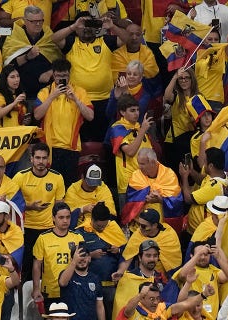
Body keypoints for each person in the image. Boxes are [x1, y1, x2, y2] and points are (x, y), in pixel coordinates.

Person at [51, 12, 130, 142]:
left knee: (103, 136)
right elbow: (54, 38)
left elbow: (127, 39)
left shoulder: (105, 41)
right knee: (81, 137)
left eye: (90, 24)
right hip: (78, 99)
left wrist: (112, 27)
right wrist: (73, 27)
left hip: (104, 99)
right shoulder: (71, 43)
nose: (87, 28)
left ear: (96, 27)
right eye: (83, 24)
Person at [34, 58, 93, 187]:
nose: (62, 79)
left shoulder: (79, 92)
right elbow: (37, 115)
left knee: (69, 186)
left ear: (69, 74)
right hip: (50, 148)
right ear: (53, 75)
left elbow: (90, 116)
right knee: (51, 186)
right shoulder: (45, 92)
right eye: (59, 76)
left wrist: (76, 100)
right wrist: (52, 97)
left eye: (65, 76)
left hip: (71, 147)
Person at [12, 142, 65, 279]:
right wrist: (30, 206)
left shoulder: (57, 177)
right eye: (38, 158)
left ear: (48, 159)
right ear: (31, 159)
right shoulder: (20, 177)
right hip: (26, 229)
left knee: (46, 269)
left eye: (44, 158)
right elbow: (12, 204)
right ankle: (24, 297)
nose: (41, 161)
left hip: (48, 229)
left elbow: (59, 206)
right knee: (26, 267)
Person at [76, 203, 126, 320]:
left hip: (110, 285)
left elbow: (128, 252)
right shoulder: (81, 232)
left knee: (111, 315)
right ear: (92, 219)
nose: (102, 229)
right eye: (99, 226)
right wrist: (91, 255)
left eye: (104, 226)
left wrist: (118, 249)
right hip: (89, 284)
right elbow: (74, 256)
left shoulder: (113, 228)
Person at [1, 6, 61, 101]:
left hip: (47, 92)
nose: (38, 24)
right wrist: (27, 57)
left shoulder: (49, 35)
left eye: (41, 21)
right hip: (22, 93)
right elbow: (9, 65)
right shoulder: (15, 36)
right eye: (33, 21)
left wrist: (50, 72)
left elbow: (60, 61)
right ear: (25, 20)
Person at [106, 94, 153, 209]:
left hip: (146, 182)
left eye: (137, 110)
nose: (136, 113)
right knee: (129, 221)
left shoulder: (140, 127)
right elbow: (130, 151)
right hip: (128, 185)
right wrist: (142, 131)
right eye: (132, 110)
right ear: (122, 112)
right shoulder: (118, 129)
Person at [32, 202, 85, 306]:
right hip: (50, 291)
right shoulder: (43, 238)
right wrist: (36, 289)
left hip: (73, 289)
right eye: (61, 217)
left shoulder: (78, 238)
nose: (65, 220)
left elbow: (83, 263)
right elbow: (37, 265)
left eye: (68, 217)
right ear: (53, 218)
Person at [123, 148, 183, 230]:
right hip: (140, 226)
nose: (139, 167)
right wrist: (145, 198)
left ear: (153, 162)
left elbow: (176, 201)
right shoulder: (136, 175)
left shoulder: (169, 175)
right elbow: (131, 201)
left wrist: (161, 200)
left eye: (142, 164)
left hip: (162, 226)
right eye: (139, 163)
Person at [114, 209, 182, 281]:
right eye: (139, 225)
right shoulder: (138, 234)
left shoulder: (169, 235)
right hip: (142, 278)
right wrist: (120, 273)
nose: (140, 228)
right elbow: (127, 259)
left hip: (163, 280)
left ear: (155, 225)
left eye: (144, 226)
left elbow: (174, 264)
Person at [173, 240, 228, 318]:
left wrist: (218, 257)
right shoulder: (189, 271)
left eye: (205, 254)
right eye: (199, 254)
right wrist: (200, 252)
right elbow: (182, 275)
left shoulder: (214, 270)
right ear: (192, 255)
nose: (202, 257)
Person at [179, 147, 228, 234]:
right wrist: (191, 171)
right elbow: (202, 179)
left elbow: (188, 199)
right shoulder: (223, 174)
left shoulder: (214, 187)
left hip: (198, 230)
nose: (203, 165)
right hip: (196, 226)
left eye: (205, 162)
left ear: (211, 166)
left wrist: (184, 177)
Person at [111, 240, 165, 319]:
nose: (152, 259)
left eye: (155, 256)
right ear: (140, 257)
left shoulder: (162, 278)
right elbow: (122, 309)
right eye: (148, 255)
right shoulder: (128, 278)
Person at [119, 282, 216, 319]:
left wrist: (204, 294)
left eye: (157, 298)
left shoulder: (163, 308)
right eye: (152, 299)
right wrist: (140, 295)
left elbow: (186, 304)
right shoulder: (135, 311)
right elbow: (127, 311)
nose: (156, 302)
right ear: (142, 298)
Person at [163, 68, 198, 169]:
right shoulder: (177, 95)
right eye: (181, 78)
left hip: (190, 140)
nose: (183, 80)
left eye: (187, 78)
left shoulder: (198, 97)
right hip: (174, 140)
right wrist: (174, 77)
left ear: (192, 80)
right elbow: (167, 96)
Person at [58, 246, 104, 320]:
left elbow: (99, 306)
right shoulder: (66, 275)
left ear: (89, 258)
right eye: (78, 256)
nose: (82, 259)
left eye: (84, 256)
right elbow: (62, 283)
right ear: (72, 259)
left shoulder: (95, 279)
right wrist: (74, 261)